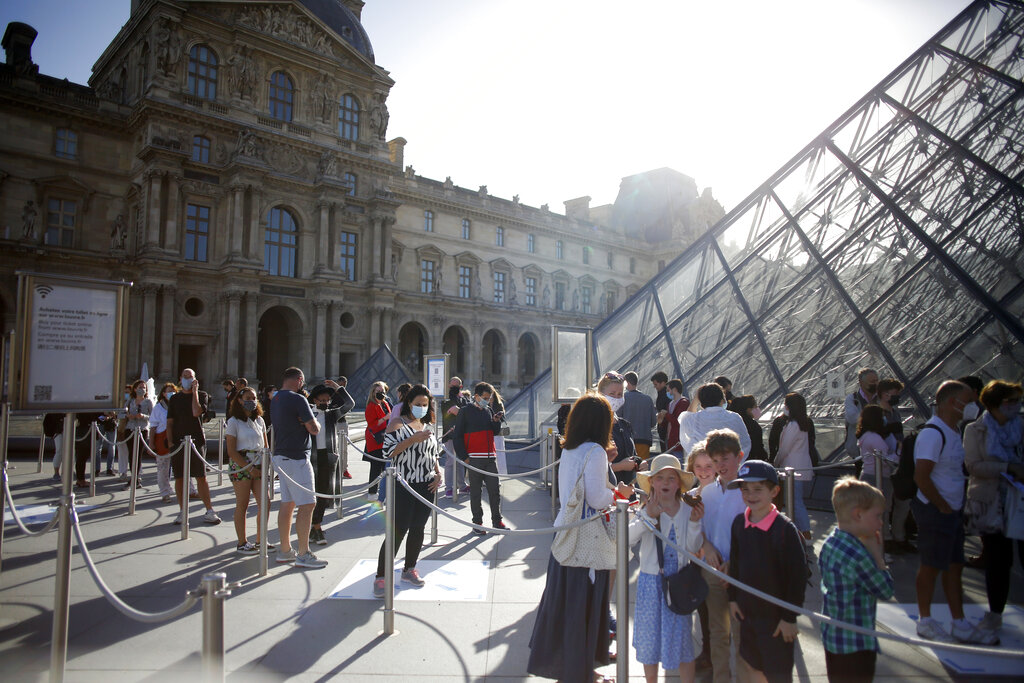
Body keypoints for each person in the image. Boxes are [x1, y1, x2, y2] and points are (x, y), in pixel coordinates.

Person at [528, 393, 633, 683]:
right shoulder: (595, 452)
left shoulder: (571, 449)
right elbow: (598, 498)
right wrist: (620, 494)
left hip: (566, 534)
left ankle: (577, 668)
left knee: (568, 606)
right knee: (585, 606)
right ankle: (584, 672)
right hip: (588, 539)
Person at [912, 380, 995, 644]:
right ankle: (925, 620)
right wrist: (942, 505)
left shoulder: (954, 430)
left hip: (950, 509)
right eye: (969, 399)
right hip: (937, 510)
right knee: (931, 567)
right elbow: (922, 476)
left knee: (954, 566)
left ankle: (958, 621)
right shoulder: (933, 434)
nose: (974, 405)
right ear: (951, 402)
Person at [726, 460, 806, 683]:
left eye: (758, 489)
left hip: (776, 621)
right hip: (748, 614)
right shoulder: (739, 523)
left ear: (774, 491)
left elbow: (797, 577)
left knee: (777, 673)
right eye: (745, 489)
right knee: (752, 667)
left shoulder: (785, 530)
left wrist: (790, 618)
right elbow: (736, 564)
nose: (751, 495)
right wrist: (732, 598)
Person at [630, 454, 703, 683]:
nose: (666, 483)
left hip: (678, 581)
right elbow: (628, 538)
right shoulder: (646, 509)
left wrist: (693, 523)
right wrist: (648, 518)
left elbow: (692, 547)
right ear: (651, 482)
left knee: (681, 639)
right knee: (649, 639)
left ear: (679, 484)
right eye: (660, 478)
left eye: (671, 478)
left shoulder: (685, 510)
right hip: (651, 583)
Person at [963, 379, 1024, 639]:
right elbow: (973, 466)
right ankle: (994, 614)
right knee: (998, 561)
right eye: (1011, 401)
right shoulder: (975, 430)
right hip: (991, 502)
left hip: (1019, 501)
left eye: (1018, 401)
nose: (1016, 406)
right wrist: (1007, 468)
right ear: (995, 403)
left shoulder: (1022, 426)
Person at [819, 477, 895, 683]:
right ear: (858, 515)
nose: (881, 522)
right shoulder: (858, 555)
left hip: (833, 638)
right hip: (856, 643)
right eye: (878, 516)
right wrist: (878, 557)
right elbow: (885, 590)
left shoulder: (830, 543)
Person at [372, 384, 443, 597]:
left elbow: (434, 453)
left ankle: (409, 569)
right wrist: (411, 439)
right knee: (398, 529)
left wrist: (438, 473)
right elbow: (388, 452)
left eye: (425, 404)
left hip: (426, 484)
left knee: (418, 528)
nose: (421, 407)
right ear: (409, 403)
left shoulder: (427, 424)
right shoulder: (396, 423)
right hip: (404, 483)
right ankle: (381, 576)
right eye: (417, 404)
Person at [699, 429, 747, 683]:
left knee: (741, 634)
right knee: (717, 632)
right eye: (715, 461)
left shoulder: (748, 494)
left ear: (739, 456)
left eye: (725, 459)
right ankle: (721, 678)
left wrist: (735, 563)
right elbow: (702, 529)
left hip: (740, 572)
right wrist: (706, 545)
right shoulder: (707, 493)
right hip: (713, 569)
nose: (720, 465)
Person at [270, 366, 327, 569]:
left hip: (281, 456)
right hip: (297, 457)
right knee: (308, 504)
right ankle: (303, 553)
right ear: (299, 379)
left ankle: (285, 550)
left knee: (288, 503)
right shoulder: (298, 399)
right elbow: (314, 428)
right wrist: (313, 423)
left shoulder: (275, 398)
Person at [166, 368, 221, 525]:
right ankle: (183, 511)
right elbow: (169, 422)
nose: (187, 379)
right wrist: (170, 442)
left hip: (196, 441)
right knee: (179, 477)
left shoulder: (202, 395)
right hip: (178, 441)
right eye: (185, 377)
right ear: (180, 378)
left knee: (200, 476)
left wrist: (195, 391)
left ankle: (209, 510)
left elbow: (197, 412)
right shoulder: (175, 399)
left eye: (190, 377)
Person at [453, 382, 506, 533]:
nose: (487, 401)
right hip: (474, 458)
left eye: (489, 398)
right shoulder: (465, 411)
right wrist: (465, 458)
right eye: (485, 398)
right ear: (476, 396)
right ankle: (477, 523)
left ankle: (497, 521)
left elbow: (494, 432)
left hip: (490, 457)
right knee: (476, 492)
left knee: (494, 490)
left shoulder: (488, 410)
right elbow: (457, 437)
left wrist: (495, 422)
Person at [308, 380, 355, 545]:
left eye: (327, 400)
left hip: (327, 457)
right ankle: (314, 527)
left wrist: (338, 388)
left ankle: (316, 526)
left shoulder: (330, 414)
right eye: (322, 400)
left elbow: (349, 404)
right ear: (315, 400)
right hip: (311, 458)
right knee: (311, 494)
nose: (325, 403)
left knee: (324, 493)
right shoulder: (308, 414)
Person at [224, 387, 269, 554]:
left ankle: (260, 539)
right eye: (248, 398)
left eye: (254, 397)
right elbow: (231, 450)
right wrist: (248, 468)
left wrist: (266, 463)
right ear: (240, 400)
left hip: (259, 462)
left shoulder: (260, 421)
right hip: (241, 463)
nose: (252, 400)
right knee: (242, 503)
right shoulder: (233, 422)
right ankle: (242, 542)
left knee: (265, 501)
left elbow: (265, 445)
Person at [769, 392, 816, 551]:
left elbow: (784, 449)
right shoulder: (804, 424)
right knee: (796, 501)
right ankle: (801, 532)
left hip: (791, 468)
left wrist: (775, 462)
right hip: (802, 466)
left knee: (795, 502)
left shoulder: (793, 425)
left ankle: (804, 533)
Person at [685, 441, 715, 671]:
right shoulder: (690, 496)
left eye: (709, 465)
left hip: (719, 562)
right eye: (699, 466)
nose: (704, 471)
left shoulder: (726, 492)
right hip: (697, 563)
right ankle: (708, 655)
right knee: (704, 613)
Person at [856, 405, 899, 557]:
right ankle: (876, 551)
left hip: (867, 475)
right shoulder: (875, 438)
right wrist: (899, 453)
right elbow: (887, 460)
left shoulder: (865, 436)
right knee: (878, 515)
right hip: (878, 478)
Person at [876, 378, 913, 553]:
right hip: (884, 463)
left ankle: (899, 536)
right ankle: (887, 537)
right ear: (885, 394)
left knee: (902, 501)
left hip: (899, 461)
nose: (897, 397)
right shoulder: (875, 414)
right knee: (886, 503)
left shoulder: (895, 413)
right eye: (895, 393)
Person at [677, 383, 751, 457]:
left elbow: (686, 418)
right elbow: (745, 443)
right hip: (730, 463)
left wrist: (696, 399)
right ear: (723, 399)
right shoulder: (734, 417)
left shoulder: (694, 419)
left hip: (705, 464)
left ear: (701, 402)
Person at [600, 372, 640, 485]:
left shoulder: (624, 425)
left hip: (627, 492)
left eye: (620, 394)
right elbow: (592, 466)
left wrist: (638, 464)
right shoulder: (596, 426)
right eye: (612, 394)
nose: (616, 398)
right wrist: (620, 466)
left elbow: (632, 454)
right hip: (607, 491)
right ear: (601, 394)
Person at [441, 377, 470, 497]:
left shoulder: (464, 399)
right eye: (451, 385)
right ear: (448, 386)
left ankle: (462, 486)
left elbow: (468, 414)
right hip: (451, 435)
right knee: (451, 462)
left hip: (462, 434)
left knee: (460, 461)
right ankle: (449, 487)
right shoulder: (446, 399)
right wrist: (460, 412)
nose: (453, 388)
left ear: (461, 387)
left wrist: (460, 412)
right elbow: (451, 412)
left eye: (456, 386)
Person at [149, 382, 177, 503]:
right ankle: (164, 492)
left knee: (179, 466)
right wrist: (151, 443)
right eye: (168, 391)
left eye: (173, 391)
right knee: (163, 468)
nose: (171, 393)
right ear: (163, 393)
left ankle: (188, 490)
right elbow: (153, 426)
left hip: (176, 438)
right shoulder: (158, 407)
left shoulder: (177, 406)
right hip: (162, 438)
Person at [620, 371, 658, 460]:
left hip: (627, 440)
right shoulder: (648, 399)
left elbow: (618, 419)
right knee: (642, 469)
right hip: (644, 440)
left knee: (628, 468)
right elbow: (653, 422)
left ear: (626, 383)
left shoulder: (623, 398)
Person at [364, 381, 391, 497]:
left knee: (383, 467)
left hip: (385, 438)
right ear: (373, 393)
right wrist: (385, 418)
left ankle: (382, 492)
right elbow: (372, 424)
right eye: (378, 391)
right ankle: (372, 492)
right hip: (375, 439)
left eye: (383, 391)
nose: (381, 393)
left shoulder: (385, 403)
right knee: (376, 467)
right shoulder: (371, 406)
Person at [844, 368, 878, 461]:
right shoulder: (852, 399)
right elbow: (852, 418)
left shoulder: (882, 397)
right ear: (861, 382)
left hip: (879, 448)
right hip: (858, 449)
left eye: (876, 380)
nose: (875, 384)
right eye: (872, 381)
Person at [125, 379, 153, 489]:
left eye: (144, 388)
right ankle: (133, 477)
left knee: (138, 455)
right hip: (130, 429)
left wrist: (143, 416)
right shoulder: (130, 401)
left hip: (142, 430)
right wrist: (128, 415)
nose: (142, 389)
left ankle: (136, 478)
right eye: (140, 387)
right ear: (135, 389)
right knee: (131, 454)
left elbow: (152, 416)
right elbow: (123, 411)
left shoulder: (148, 402)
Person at [729, 395, 767, 461]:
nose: (757, 409)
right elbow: (758, 447)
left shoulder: (731, 423)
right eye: (755, 407)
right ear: (748, 409)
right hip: (750, 461)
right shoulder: (753, 426)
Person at [664, 379, 690, 454]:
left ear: (674, 390)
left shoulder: (683, 403)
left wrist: (666, 414)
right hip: (670, 439)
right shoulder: (670, 404)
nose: (667, 392)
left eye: (668, 390)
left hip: (678, 440)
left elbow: (678, 421)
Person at [489, 388, 509, 475]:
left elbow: (503, 417)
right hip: (488, 431)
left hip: (496, 432)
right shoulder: (484, 404)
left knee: (498, 452)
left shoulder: (498, 404)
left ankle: (500, 472)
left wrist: (498, 416)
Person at [652, 371, 671, 453]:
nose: (655, 387)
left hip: (665, 428)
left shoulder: (667, 395)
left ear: (663, 383)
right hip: (663, 427)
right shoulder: (663, 393)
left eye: (656, 384)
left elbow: (665, 410)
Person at [43, 412, 65, 481]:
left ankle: (65, 471)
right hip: (58, 432)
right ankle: (56, 472)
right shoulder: (55, 411)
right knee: (59, 451)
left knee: (70, 451)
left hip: (60, 430)